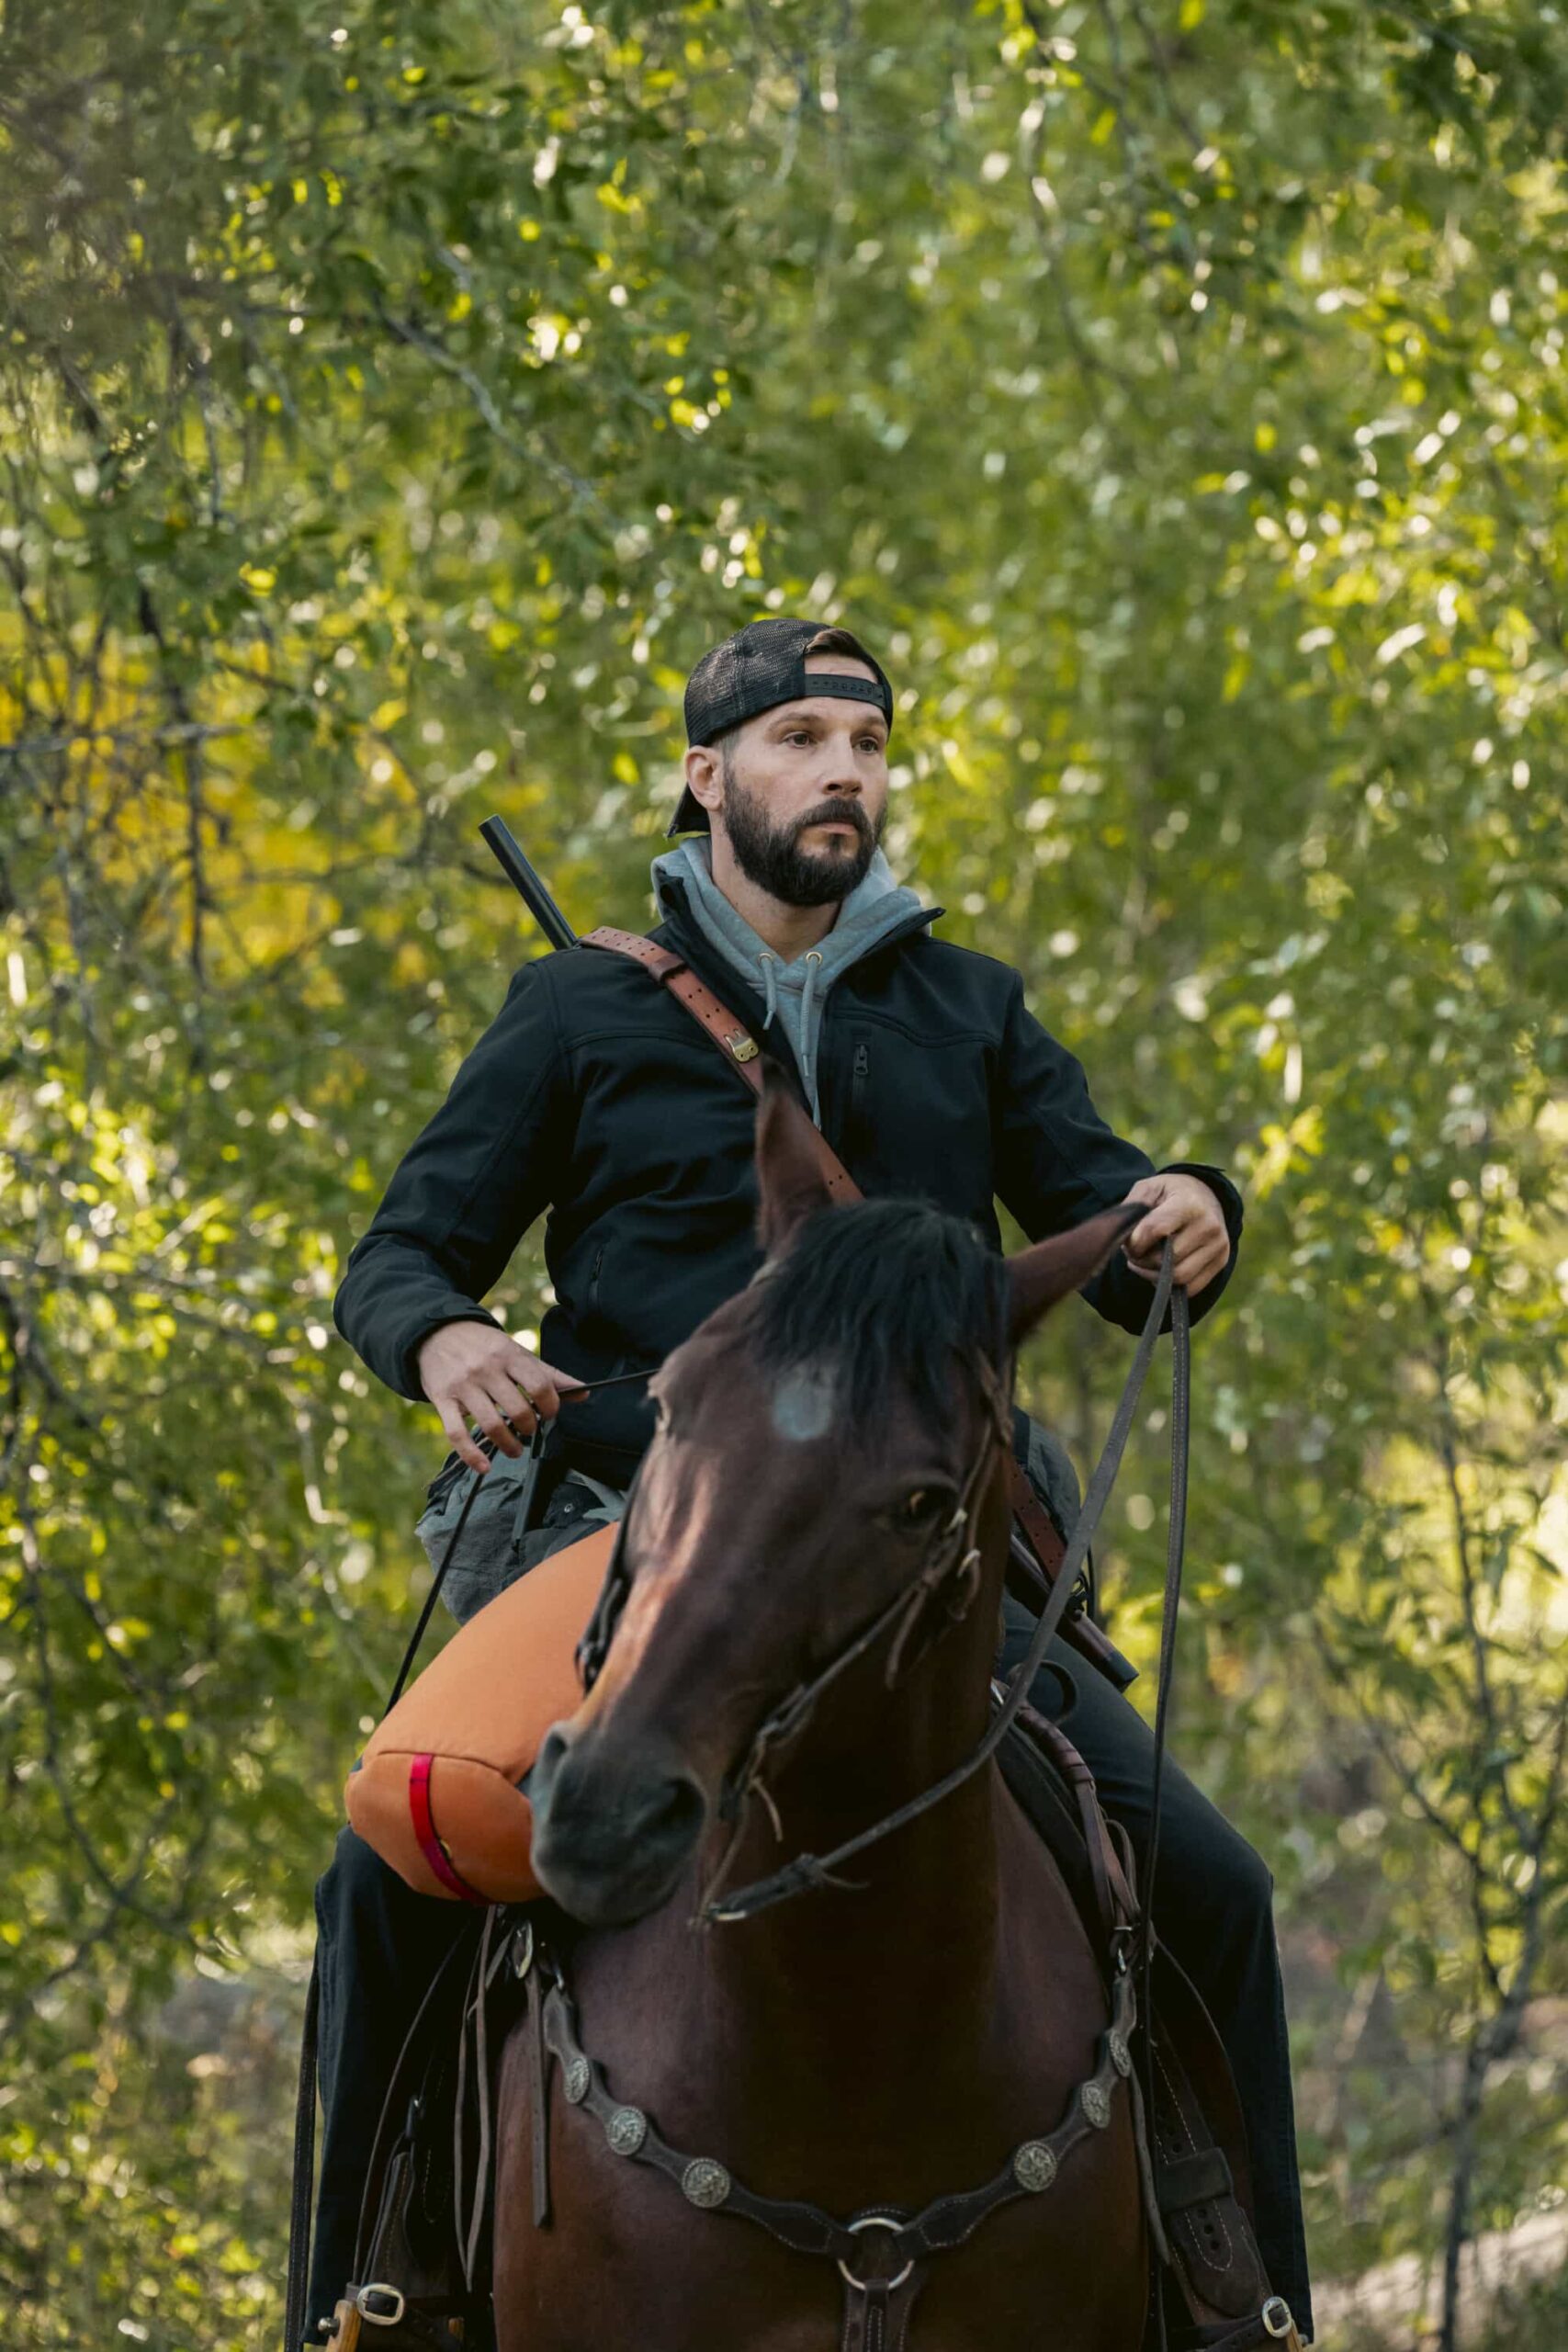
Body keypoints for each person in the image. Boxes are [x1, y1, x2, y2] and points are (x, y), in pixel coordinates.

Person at [311, 616, 1312, 2339]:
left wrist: (1195, 1206)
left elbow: (1122, 1221)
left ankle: (1253, 2304)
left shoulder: (966, 1006)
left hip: (909, 1556)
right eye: (795, 739)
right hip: (629, 1531)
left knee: (1212, 1882)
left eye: (863, 739)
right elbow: (400, 1255)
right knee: (384, 1876)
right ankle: (366, 2294)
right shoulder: (575, 1011)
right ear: (708, 778)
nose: (840, 768)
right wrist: (446, 1343)